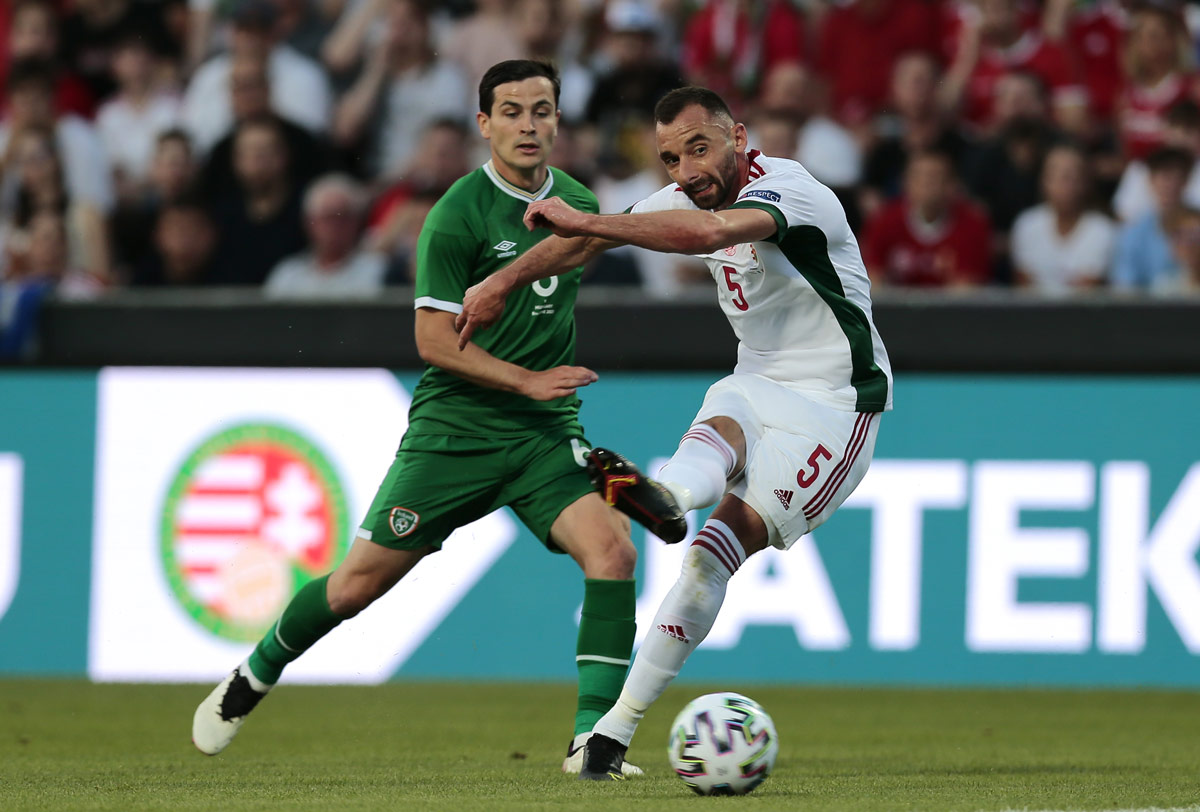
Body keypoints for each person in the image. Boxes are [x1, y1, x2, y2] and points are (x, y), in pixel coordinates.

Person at [192, 60, 643, 778]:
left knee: (614, 552)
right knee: (353, 588)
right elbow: (432, 342)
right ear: (484, 124)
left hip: (542, 433)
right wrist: (525, 380)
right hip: (456, 431)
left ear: (559, 120)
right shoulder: (457, 214)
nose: (529, 125)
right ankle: (253, 674)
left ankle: (594, 744)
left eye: (542, 110)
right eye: (513, 111)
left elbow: (610, 236)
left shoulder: (580, 200)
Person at [456, 85, 893, 780]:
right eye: (670, 158)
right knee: (720, 430)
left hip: (837, 406)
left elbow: (708, 236)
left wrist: (590, 223)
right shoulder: (686, 200)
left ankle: (617, 724)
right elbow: (577, 247)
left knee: (711, 556)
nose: (687, 170)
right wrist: (503, 281)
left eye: (699, 147)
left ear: (739, 138)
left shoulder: (793, 192)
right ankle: (664, 499)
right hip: (757, 380)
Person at [263, 173, 385, 299]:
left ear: (357, 222)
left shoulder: (377, 271)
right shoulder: (287, 276)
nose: (335, 225)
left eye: (344, 216)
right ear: (309, 222)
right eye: (328, 217)